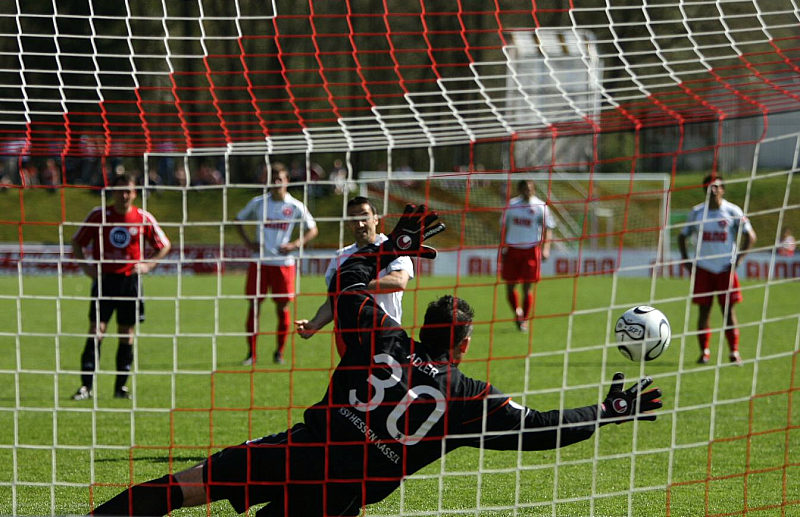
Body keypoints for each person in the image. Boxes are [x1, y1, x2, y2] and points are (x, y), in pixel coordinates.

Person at [91, 204, 662, 517]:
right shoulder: (466, 398)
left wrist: (389, 247)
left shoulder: (383, 338)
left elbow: (348, 287)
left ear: (424, 328)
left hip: (295, 450)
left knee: (183, 487)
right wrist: (607, 411)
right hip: (340, 495)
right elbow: (542, 430)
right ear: (463, 345)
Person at [71, 173, 171, 400]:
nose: (123, 195)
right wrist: (86, 267)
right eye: (119, 190)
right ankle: (86, 386)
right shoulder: (99, 215)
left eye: (128, 191)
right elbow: (77, 241)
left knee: (127, 333)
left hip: (130, 282)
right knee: (97, 330)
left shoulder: (142, 217)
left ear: (135, 194)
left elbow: (164, 245)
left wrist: (148, 265)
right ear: (112, 192)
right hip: (105, 280)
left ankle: (120, 387)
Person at [295, 196, 414, 357]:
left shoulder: (394, 248)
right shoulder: (340, 257)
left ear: (376, 219)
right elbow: (334, 300)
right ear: (348, 224)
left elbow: (399, 281)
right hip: (348, 338)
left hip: (384, 335)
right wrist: (315, 324)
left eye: (364, 217)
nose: (360, 224)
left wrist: (353, 285)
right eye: (353, 219)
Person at [235, 162, 318, 365]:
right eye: (272, 179)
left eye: (280, 179)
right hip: (260, 263)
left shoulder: (295, 205)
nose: (276, 183)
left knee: (282, 308)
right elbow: (238, 220)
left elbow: (313, 229)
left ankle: (279, 352)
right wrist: (248, 243)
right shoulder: (258, 203)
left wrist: (295, 244)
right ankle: (251, 354)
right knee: (254, 306)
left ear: (287, 181)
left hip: (283, 264)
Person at [678, 173, 757, 366]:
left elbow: (750, 236)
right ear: (703, 189)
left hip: (725, 269)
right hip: (704, 268)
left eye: (716, 186)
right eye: (708, 186)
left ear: (723, 189)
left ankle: (734, 352)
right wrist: (687, 260)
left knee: (728, 311)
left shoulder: (732, 211)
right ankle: (704, 352)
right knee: (704, 311)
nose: (712, 189)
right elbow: (682, 236)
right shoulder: (697, 212)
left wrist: (739, 259)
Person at [499, 179, 556, 332]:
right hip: (512, 249)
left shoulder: (541, 206)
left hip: (531, 250)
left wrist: (546, 248)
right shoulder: (511, 205)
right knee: (510, 287)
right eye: (525, 188)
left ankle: (524, 319)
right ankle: (517, 313)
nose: (528, 191)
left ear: (534, 189)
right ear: (519, 190)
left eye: (530, 188)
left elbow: (548, 228)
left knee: (527, 287)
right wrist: (502, 247)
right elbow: (503, 227)